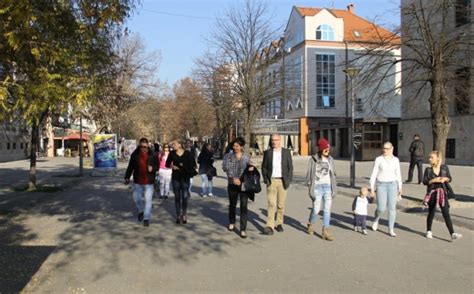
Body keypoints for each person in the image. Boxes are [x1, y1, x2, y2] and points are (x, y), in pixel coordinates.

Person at [422, 151, 462, 240]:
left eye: (431, 157)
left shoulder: (444, 168)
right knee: (431, 212)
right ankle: (429, 231)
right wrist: (433, 180)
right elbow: (424, 181)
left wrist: (445, 178)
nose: (429, 159)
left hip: (442, 192)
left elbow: (450, 178)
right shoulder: (428, 170)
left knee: (446, 213)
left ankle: (452, 233)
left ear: (437, 159)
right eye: (429, 157)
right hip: (432, 193)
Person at [261, 134, 293, 235]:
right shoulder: (268, 153)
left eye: (276, 140)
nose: (274, 142)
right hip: (271, 181)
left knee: (280, 205)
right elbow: (264, 167)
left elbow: (290, 168)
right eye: (272, 140)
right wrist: (266, 179)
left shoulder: (286, 152)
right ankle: (269, 225)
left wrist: (288, 180)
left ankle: (279, 223)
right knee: (271, 204)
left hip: (282, 181)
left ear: (280, 140)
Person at [306, 138, 337, 241]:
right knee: (316, 209)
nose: (328, 151)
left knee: (327, 210)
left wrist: (334, 187)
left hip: (328, 186)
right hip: (317, 187)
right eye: (326, 149)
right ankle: (311, 223)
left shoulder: (330, 160)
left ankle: (326, 231)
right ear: (321, 149)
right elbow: (309, 175)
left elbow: (333, 174)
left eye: (328, 149)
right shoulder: (313, 159)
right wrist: (310, 187)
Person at [370, 142, 403, 237]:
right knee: (381, 207)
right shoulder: (379, 159)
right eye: (384, 148)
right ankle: (376, 219)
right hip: (381, 185)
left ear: (392, 149)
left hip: (392, 184)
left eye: (387, 148)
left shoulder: (396, 160)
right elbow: (374, 174)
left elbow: (398, 174)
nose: (385, 150)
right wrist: (372, 188)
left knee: (392, 208)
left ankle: (391, 229)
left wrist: (400, 187)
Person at [222, 137, 252, 238]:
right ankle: (232, 222)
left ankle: (243, 229)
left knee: (244, 206)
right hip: (232, 183)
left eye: (237, 146)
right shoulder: (228, 156)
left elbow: (249, 169)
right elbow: (225, 167)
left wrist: (251, 168)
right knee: (232, 204)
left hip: (243, 185)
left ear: (241, 146)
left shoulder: (246, 157)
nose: (235, 148)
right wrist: (233, 178)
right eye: (234, 146)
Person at [124, 137, 158, 227]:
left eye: (145, 147)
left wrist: (153, 168)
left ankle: (146, 218)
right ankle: (141, 211)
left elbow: (157, 166)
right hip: (138, 181)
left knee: (148, 200)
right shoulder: (135, 154)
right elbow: (130, 167)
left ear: (148, 146)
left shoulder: (153, 154)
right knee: (136, 198)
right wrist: (127, 177)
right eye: (141, 147)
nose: (143, 148)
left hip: (149, 181)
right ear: (139, 146)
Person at [166, 139, 196, 224]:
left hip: (185, 177)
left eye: (174, 144)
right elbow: (167, 163)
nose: (173, 145)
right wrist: (172, 166)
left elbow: (193, 163)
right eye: (172, 144)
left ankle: (184, 214)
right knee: (177, 197)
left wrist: (184, 165)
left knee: (185, 197)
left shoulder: (187, 153)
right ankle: (178, 215)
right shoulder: (172, 153)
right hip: (176, 178)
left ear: (179, 145)